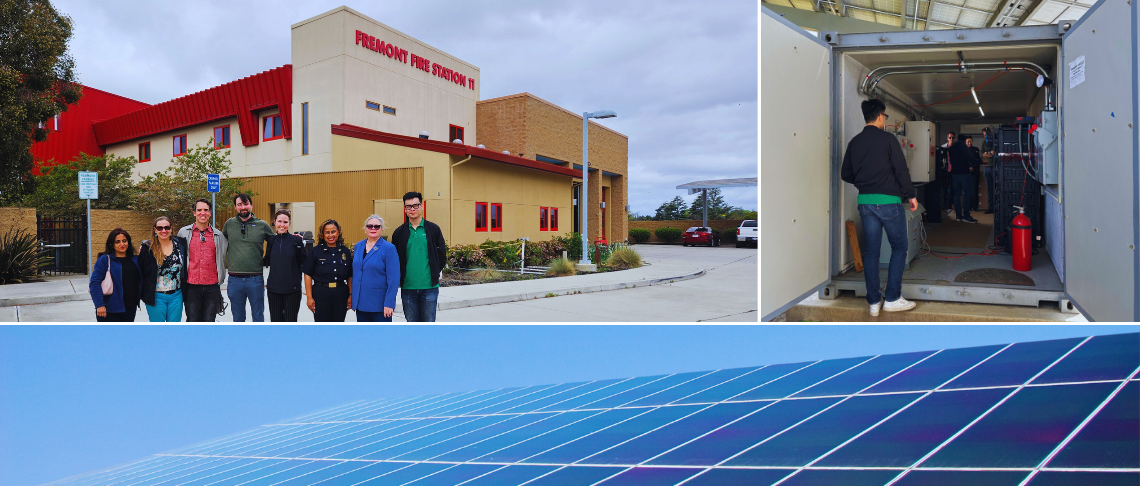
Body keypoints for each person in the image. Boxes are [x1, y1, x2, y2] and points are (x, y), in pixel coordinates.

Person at [840, 99, 918, 316]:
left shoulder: (855, 142)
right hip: (888, 203)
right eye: (886, 117)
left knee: (872, 252)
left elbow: (845, 174)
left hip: (865, 203)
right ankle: (892, 298)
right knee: (899, 247)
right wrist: (911, 195)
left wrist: (864, 184)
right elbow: (901, 170)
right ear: (881, 116)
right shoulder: (888, 139)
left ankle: (874, 302)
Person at [391, 191, 448, 322]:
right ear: (405, 209)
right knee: (412, 325)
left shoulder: (433, 229)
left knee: (428, 324)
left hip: (429, 288)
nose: (412, 209)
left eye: (415, 205)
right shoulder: (399, 232)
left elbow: (442, 255)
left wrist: (434, 272)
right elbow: (394, 259)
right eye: (408, 206)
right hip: (408, 288)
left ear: (422, 206)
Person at [222, 193, 274, 322]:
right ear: (235, 207)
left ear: (251, 205)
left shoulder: (262, 225)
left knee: (258, 316)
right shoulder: (229, 224)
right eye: (239, 204)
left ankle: (257, 341)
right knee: (238, 318)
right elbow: (220, 242)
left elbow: (276, 243)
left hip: (255, 279)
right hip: (234, 280)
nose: (243, 207)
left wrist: (293, 239)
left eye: (246, 204)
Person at [177, 198, 228, 322]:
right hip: (191, 286)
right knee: (193, 320)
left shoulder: (219, 235)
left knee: (209, 321)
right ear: (194, 213)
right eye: (199, 210)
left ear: (210, 213)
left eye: (206, 210)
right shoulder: (183, 232)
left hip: (212, 286)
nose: (202, 213)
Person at [138, 216, 188, 322]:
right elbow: (140, 272)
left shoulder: (181, 245)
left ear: (171, 229)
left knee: (174, 330)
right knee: (159, 330)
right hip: (156, 297)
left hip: (176, 296)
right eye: (160, 228)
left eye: (167, 227)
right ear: (155, 230)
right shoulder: (147, 248)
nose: (163, 230)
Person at [352, 215, 401, 322]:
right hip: (361, 303)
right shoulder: (358, 246)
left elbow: (393, 279)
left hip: (380, 305)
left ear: (381, 230)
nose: (373, 229)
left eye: (377, 226)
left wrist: (389, 304)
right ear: (365, 229)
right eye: (369, 226)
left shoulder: (389, 248)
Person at [303, 219, 353, 322]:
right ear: (323, 234)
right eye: (327, 232)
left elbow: (350, 276)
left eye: (333, 231)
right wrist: (309, 297)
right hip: (321, 294)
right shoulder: (315, 251)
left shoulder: (345, 252)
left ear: (338, 232)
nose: (330, 235)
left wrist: (350, 295)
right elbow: (307, 274)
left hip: (340, 294)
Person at [89, 228, 143, 322]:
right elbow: (94, 283)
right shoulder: (105, 260)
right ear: (111, 244)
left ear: (128, 242)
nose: (122, 244)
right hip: (109, 309)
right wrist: (99, 305)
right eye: (117, 242)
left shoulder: (135, 260)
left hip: (130, 307)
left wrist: (145, 255)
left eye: (124, 241)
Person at [264, 209, 307, 321]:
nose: (282, 225)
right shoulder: (271, 241)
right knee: (276, 322)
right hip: (273, 290)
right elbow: (266, 261)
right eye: (279, 221)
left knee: (290, 322)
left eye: (285, 222)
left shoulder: (296, 241)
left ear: (289, 224)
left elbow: (305, 263)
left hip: (292, 291)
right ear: (274, 222)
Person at [948, 133, 984, 223]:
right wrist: (981, 161)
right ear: (964, 140)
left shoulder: (952, 147)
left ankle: (958, 216)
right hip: (964, 173)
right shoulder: (963, 146)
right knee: (968, 194)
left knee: (957, 195)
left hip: (954, 173)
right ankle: (966, 216)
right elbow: (969, 158)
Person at [965, 136, 983, 212]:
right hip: (966, 172)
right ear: (965, 143)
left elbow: (978, 160)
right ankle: (968, 207)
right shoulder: (963, 150)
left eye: (970, 141)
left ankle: (975, 207)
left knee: (974, 190)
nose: (969, 143)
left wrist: (973, 167)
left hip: (975, 172)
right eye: (968, 142)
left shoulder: (976, 149)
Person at [940, 131, 956, 217]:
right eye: (950, 137)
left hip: (954, 171)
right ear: (947, 138)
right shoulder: (943, 147)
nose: (951, 139)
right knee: (945, 187)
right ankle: (945, 204)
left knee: (954, 188)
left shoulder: (956, 148)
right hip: (945, 171)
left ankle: (952, 204)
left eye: (953, 138)